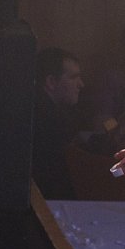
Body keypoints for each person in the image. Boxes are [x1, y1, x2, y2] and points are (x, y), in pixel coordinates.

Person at [33, 47, 85, 199]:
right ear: (51, 82)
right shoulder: (48, 120)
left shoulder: (45, 111)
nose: (81, 84)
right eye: (73, 77)